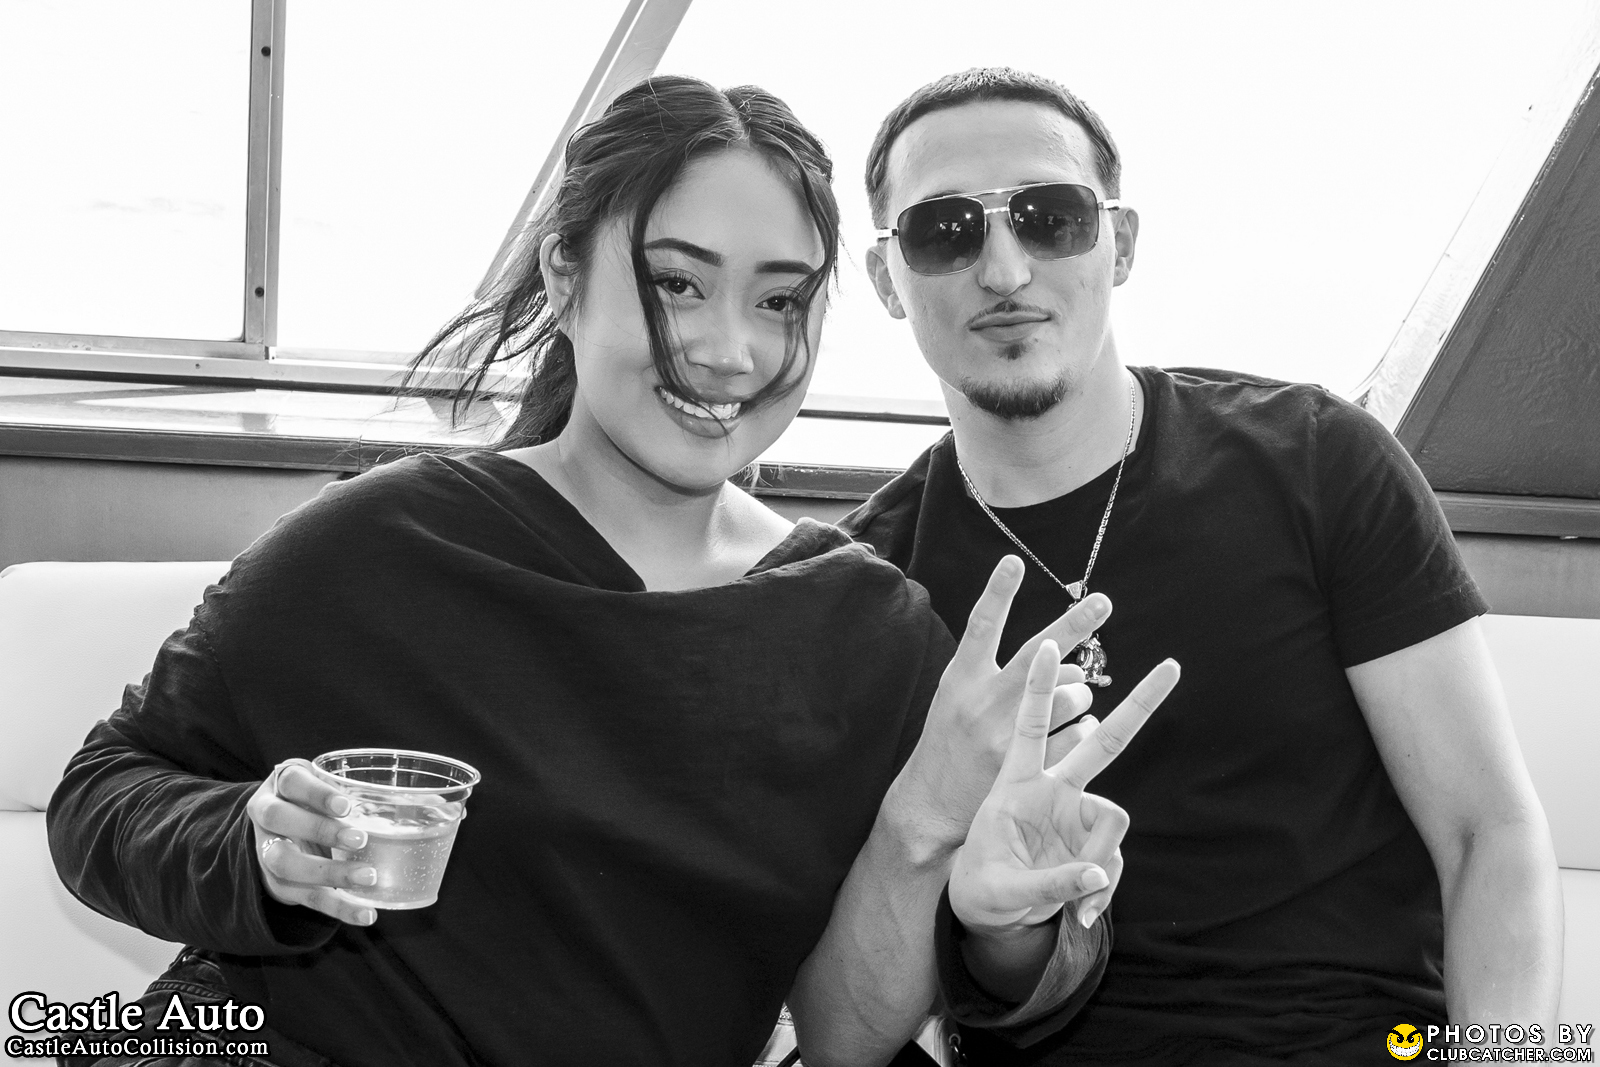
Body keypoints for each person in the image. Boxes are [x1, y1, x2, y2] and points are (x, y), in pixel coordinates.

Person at [47, 76, 1179, 1067]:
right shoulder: (379, 541)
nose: (729, 351)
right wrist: (249, 843)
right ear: (563, 274)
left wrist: (985, 891)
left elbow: (846, 1031)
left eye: (779, 299)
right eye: (677, 284)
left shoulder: (867, 628)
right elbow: (105, 787)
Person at [841, 67, 1563, 1064]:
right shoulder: (864, 583)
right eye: (944, 230)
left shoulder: (1316, 462)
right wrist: (930, 825)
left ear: (1121, 244)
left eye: (1051, 218)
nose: (1004, 270)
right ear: (888, 278)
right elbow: (845, 1035)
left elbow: (1489, 832)